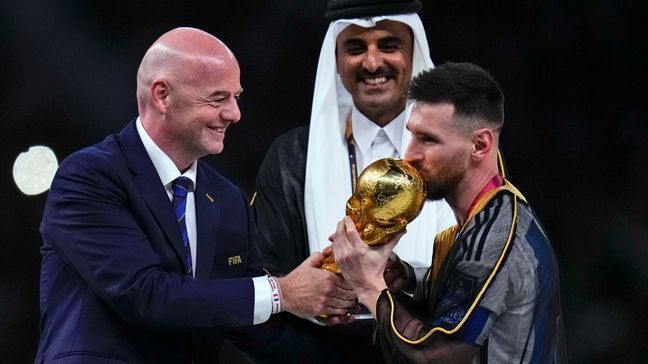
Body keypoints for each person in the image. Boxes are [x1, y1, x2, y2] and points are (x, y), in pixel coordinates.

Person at [34, 27, 356, 364]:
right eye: (218, 98)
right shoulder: (88, 177)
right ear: (162, 95)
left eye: (236, 97)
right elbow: (145, 294)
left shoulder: (228, 200)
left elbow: (251, 323)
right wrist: (283, 292)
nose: (234, 114)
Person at [253, 0, 455, 361]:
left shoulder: (454, 158)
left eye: (389, 45)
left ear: (414, 53)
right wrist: (297, 293)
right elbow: (262, 289)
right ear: (335, 58)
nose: (373, 62)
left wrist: (406, 277)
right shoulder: (291, 159)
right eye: (355, 48)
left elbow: (482, 276)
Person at [331, 62, 567, 363]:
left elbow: (436, 354)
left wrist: (369, 285)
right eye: (411, 135)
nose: (409, 155)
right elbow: (464, 296)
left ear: (480, 145)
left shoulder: (496, 239)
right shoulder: (485, 215)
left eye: (428, 139)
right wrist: (409, 278)